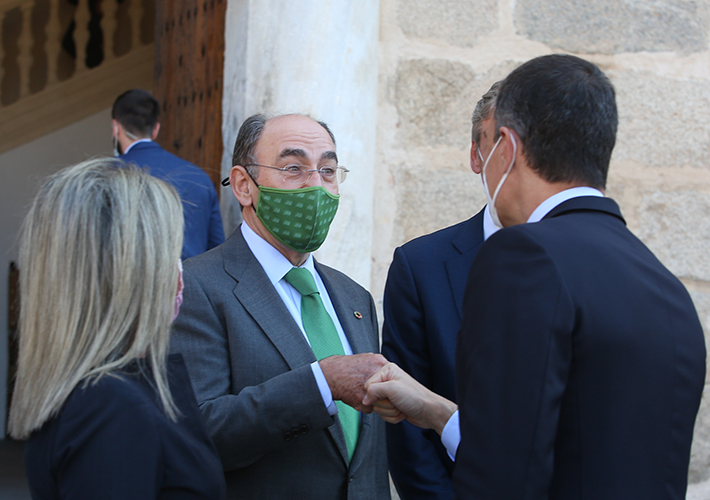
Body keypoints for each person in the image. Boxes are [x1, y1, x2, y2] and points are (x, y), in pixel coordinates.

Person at [365, 54, 706, 500]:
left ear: (505, 147)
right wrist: (437, 412)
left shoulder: (523, 254)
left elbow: (505, 470)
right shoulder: (663, 283)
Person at [170, 113, 390, 499]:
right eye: (294, 168)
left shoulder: (355, 297)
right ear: (243, 185)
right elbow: (198, 431)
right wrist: (322, 382)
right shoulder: (197, 287)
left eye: (327, 170)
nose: (316, 186)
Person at [8, 158, 225, 499]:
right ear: (134, 274)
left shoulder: (110, 387)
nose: (180, 269)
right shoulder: (109, 407)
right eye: (171, 252)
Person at [381, 82, 500, 500]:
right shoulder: (421, 265)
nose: (512, 158)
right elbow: (407, 426)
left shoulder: (583, 259)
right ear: (475, 156)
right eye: (499, 140)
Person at [112, 89, 224, 259]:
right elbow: (216, 249)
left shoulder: (106, 175)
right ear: (155, 129)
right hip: (189, 283)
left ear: (115, 127)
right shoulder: (198, 177)